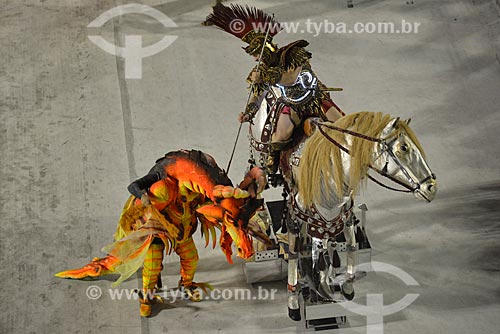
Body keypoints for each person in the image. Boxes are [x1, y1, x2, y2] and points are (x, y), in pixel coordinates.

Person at [204, 2, 345, 173]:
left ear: (267, 49)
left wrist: (265, 77)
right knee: (280, 135)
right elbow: (257, 96)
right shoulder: (260, 70)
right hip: (291, 105)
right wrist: (249, 112)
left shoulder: (293, 54)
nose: (256, 59)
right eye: (254, 56)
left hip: (315, 99)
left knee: (342, 125)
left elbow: (291, 77)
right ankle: (278, 162)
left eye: (257, 54)